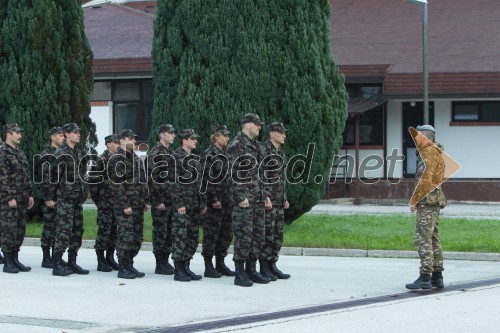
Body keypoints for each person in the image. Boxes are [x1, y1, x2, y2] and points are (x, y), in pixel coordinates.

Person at [226, 113, 270, 287]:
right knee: (244, 236)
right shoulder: (236, 146)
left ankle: (252, 269)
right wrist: (240, 196)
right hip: (244, 200)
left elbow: (262, 173)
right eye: (257, 124)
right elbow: (232, 174)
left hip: (257, 198)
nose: (259, 127)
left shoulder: (256, 146)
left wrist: (265, 195)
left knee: (257, 235)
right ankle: (240, 273)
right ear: (247, 125)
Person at [406, 124, 447, 290]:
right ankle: (437, 276)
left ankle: (425, 277)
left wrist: (414, 200)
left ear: (425, 136)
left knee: (422, 239)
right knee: (433, 238)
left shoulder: (428, 152)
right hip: (434, 200)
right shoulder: (435, 151)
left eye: (418, 135)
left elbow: (426, 179)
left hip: (428, 201)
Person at [107, 129, 149, 279]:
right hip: (126, 206)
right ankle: (123, 267)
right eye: (129, 138)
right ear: (121, 141)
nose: (133, 140)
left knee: (136, 237)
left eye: (134, 138)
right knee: (125, 236)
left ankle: (130, 264)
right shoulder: (117, 159)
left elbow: (141, 181)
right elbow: (116, 185)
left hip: (137, 204)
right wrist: (125, 205)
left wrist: (144, 200)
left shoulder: (135, 158)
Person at [48, 123, 88, 276]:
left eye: (79, 132)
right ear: (67, 134)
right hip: (65, 198)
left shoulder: (75, 152)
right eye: (75, 132)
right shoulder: (61, 152)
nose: (78, 135)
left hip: (76, 198)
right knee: (63, 231)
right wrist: (50, 197)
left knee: (77, 231)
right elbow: (53, 177)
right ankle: (57, 264)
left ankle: (72, 262)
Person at [170, 129, 206, 282]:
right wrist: (179, 203)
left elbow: (199, 183)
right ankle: (179, 270)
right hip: (183, 206)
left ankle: (186, 267)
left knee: (192, 237)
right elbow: (172, 182)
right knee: (180, 236)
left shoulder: (194, 159)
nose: (195, 141)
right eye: (192, 139)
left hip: (194, 205)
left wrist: (202, 202)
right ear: (184, 140)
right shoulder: (175, 157)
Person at [200, 125, 235, 278]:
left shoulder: (225, 154)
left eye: (227, 136)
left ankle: (220, 263)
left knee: (226, 234)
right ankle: (209, 266)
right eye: (224, 136)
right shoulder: (209, 154)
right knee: (211, 234)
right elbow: (205, 180)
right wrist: (213, 199)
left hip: (227, 201)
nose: (227, 138)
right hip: (214, 203)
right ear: (215, 137)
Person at [0, 123, 34, 273]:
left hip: (22, 198)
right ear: (8, 134)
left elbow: (26, 175)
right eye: (17, 133)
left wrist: (30, 194)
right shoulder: (3, 154)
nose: (20, 136)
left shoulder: (19, 152)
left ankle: (15, 259)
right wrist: (9, 197)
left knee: (20, 230)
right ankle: (8, 261)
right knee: (9, 230)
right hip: (10, 200)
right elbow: (3, 178)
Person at [259, 122, 291, 281]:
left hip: (278, 200)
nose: (284, 135)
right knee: (267, 234)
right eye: (281, 132)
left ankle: (272, 264)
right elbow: (260, 176)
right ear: (272, 134)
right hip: (269, 201)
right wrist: (265, 196)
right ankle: (263, 266)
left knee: (278, 235)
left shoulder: (280, 152)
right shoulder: (264, 151)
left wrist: (284, 198)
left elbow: (281, 179)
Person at [147, 124, 177, 276]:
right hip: (161, 201)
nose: (173, 135)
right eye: (170, 133)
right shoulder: (155, 153)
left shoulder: (170, 152)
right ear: (162, 135)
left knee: (169, 232)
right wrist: (157, 201)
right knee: (160, 232)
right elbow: (152, 180)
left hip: (170, 200)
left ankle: (165, 260)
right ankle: (160, 263)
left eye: (173, 133)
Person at [88, 134, 121, 272]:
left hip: (117, 204)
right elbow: (93, 182)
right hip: (105, 204)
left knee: (114, 232)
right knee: (104, 232)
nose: (118, 144)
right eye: (115, 142)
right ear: (108, 144)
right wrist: (99, 200)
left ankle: (110, 258)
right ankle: (101, 260)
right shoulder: (102, 160)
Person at [38, 126, 65, 268]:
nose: (63, 138)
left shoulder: (62, 154)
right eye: (60, 135)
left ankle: (56, 255)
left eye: (63, 135)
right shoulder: (46, 155)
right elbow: (44, 178)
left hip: (61, 197)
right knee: (49, 226)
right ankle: (46, 257)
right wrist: (48, 197)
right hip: (52, 197)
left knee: (59, 227)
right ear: (52, 137)